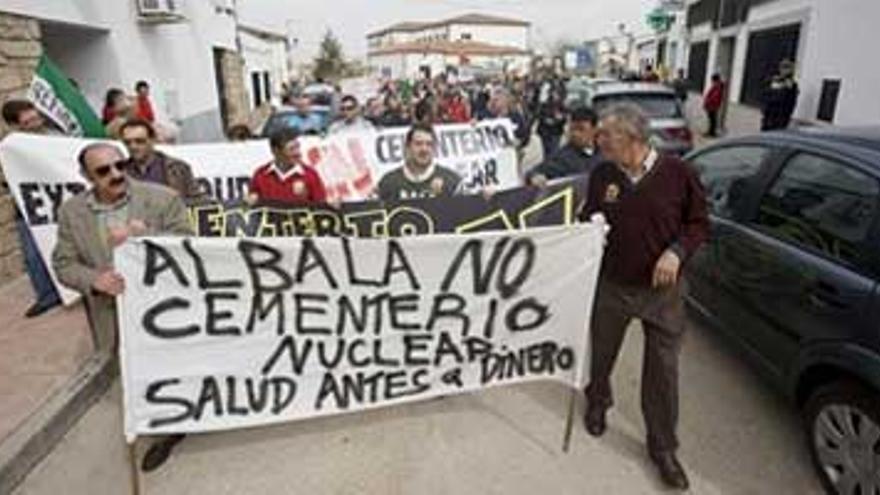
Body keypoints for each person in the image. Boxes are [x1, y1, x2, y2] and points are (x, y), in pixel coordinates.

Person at [580, 103, 709, 491]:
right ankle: (598, 401)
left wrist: (677, 251)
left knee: (663, 372)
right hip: (612, 286)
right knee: (601, 354)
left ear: (632, 139)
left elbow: (699, 223)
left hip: (662, 295)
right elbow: (588, 214)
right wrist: (589, 228)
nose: (599, 140)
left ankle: (663, 447)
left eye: (607, 135)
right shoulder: (603, 174)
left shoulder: (678, 173)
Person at [51, 142, 193, 472]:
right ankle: (155, 424)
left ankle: (173, 427)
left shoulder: (162, 198)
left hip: (163, 310)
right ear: (85, 175)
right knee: (133, 376)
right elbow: (63, 264)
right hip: (112, 315)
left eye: (121, 165)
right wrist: (95, 280)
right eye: (103, 171)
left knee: (170, 370)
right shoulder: (72, 213)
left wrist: (150, 237)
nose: (116, 175)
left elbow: (188, 246)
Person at [2, 99, 62, 317]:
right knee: (32, 254)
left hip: (60, 200)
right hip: (30, 206)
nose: (36, 123)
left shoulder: (56, 137)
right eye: (28, 121)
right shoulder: (8, 148)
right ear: (15, 125)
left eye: (36, 117)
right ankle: (47, 296)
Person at [119, 118, 203, 199]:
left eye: (140, 141)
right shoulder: (119, 172)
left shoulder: (179, 168)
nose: (133, 146)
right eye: (127, 142)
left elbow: (196, 200)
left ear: (152, 140)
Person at [376, 123, 462, 201]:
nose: (424, 149)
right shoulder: (388, 183)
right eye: (418, 144)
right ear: (407, 147)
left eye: (429, 144)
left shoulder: (451, 182)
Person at [526, 106, 605, 187]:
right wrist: (534, 177)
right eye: (572, 129)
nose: (575, 134)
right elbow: (535, 172)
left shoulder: (606, 153)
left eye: (581, 129)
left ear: (594, 130)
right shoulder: (562, 157)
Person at [248, 127, 328, 205]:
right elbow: (252, 206)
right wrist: (251, 201)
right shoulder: (261, 175)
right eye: (291, 149)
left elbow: (321, 208)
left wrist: (305, 196)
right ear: (276, 151)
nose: (297, 153)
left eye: (297, 147)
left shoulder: (310, 175)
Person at [761, 59, 799, 131]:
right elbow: (766, 94)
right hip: (769, 114)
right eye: (783, 67)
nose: (785, 71)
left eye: (788, 68)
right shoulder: (774, 80)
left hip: (781, 116)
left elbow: (791, 101)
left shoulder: (791, 85)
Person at [536, 91, 567, 159]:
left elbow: (565, 118)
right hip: (545, 131)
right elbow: (539, 115)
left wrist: (560, 118)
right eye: (553, 94)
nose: (555, 96)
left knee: (554, 151)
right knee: (546, 151)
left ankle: (550, 165)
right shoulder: (545, 104)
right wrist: (546, 120)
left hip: (556, 131)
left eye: (556, 94)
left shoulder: (561, 105)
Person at [702, 73, 725, 138]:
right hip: (712, 106)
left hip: (712, 106)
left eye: (712, 80)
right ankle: (711, 132)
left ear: (715, 80)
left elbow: (715, 97)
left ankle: (711, 133)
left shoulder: (718, 87)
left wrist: (707, 102)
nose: (711, 81)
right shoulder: (717, 86)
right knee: (712, 120)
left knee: (712, 120)